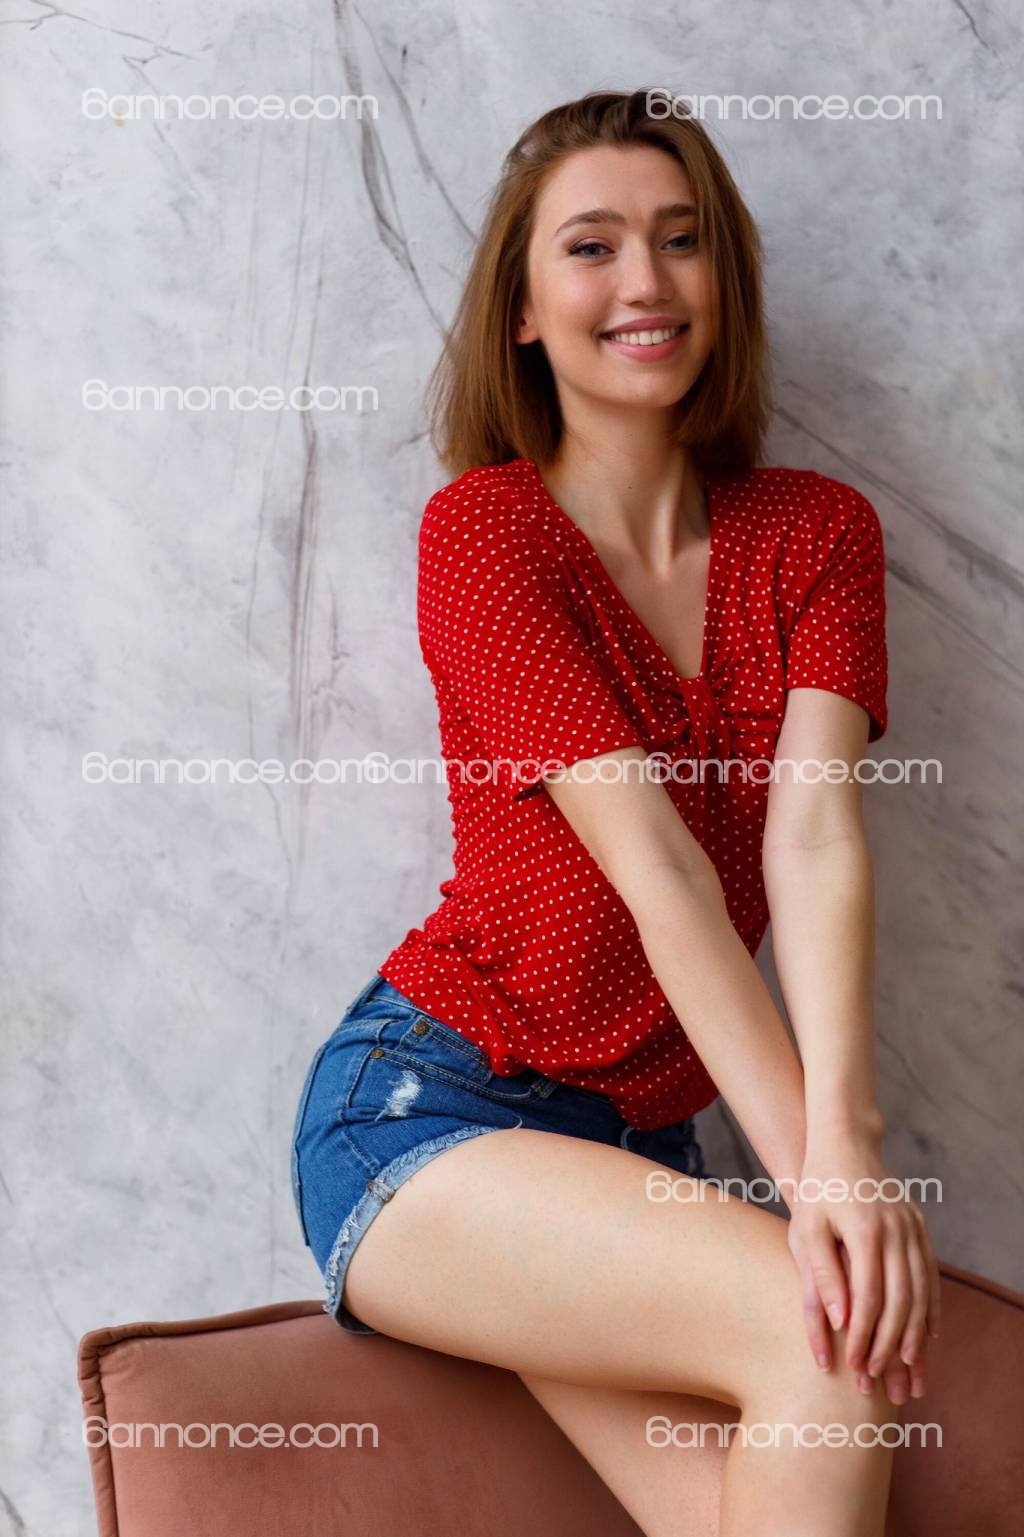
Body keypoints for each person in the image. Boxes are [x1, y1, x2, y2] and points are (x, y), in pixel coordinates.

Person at [290, 89, 941, 1536]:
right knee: (829, 1344)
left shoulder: (816, 534)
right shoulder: (487, 531)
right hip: (430, 1108)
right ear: (524, 311)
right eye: (592, 246)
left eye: (680, 239)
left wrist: (849, 1143)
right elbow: (665, 874)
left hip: (645, 1147)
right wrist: (819, 1184)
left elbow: (816, 835)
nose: (645, 280)